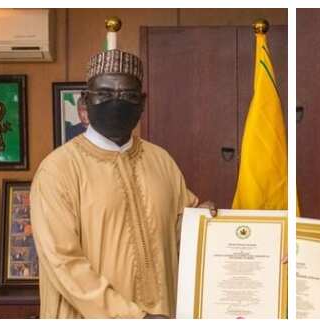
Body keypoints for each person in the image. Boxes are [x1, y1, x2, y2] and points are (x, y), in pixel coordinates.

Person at [31, 20, 215, 318]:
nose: (116, 102)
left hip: (163, 315)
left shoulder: (161, 160)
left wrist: (207, 224)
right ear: (84, 105)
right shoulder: (58, 171)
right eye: (104, 94)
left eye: (127, 95)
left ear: (141, 104)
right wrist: (134, 318)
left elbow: (181, 232)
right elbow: (64, 263)